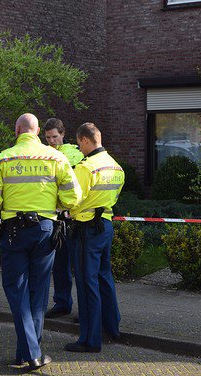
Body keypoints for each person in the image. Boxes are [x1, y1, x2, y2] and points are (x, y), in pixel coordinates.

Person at [0, 113, 81, 371]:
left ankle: (30, 353)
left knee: (16, 289)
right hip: (45, 230)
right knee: (38, 291)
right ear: (37, 131)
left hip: (13, 231)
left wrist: (8, 201)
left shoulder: (3, 159)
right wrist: (55, 203)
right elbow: (73, 197)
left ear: (17, 130)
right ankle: (28, 353)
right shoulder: (57, 158)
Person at [64, 122, 124, 353]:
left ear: (85, 140)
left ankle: (90, 339)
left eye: (79, 144)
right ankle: (111, 327)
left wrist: (64, 209)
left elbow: (72, 199)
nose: (79, 149)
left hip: (86, 229)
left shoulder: (86, 167)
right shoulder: (116, 167)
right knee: (104, 277)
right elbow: (114, 197)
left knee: (86, 283)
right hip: (105, 225)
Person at [42, 118, 84, 319]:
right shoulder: (43, 154)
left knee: (80, 265)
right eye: (48, 137)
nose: (52, 141)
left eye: (55, 137)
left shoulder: (74, 154)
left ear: (63, 134)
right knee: (59, 264)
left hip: (74, 218)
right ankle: (62, 303)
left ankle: (85, 309)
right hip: (55, 218)